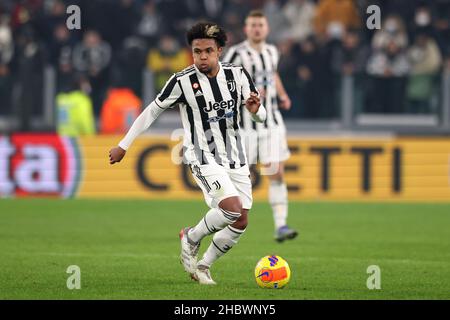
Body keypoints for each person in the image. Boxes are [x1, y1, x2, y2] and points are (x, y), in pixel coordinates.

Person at [108, 22, 266, 285]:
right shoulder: (182, 81)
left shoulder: (237, 75)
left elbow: (260, 115)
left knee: (241, 221)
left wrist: (255, 110)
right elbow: (152, 111)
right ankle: (191, 236)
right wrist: (124, 144)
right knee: (231, 209)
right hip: (202, 156)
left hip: (235, 156)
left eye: (208, 51)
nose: (202, 57)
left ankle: (203, 266)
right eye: (197, 51)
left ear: (219, 51)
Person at [223, 10, 298, 242]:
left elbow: (273, 75)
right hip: (244, 128)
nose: (257, 29)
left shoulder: (272, 51)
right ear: (246, 29)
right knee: (239, 178)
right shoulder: (236, 54)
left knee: (276, 172)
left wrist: (282, 95)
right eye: (253, 25)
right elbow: (225, 84)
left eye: (260, 25)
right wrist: (248, 95)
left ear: (266, 29)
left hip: (272, 124)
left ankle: (281, 225)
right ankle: (227, 220)